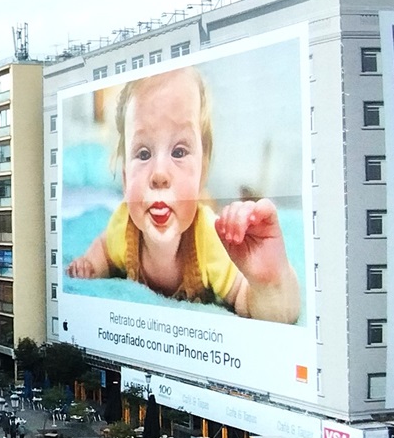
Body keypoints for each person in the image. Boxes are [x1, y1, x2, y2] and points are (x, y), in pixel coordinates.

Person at [65, 67, 301, 324]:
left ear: (202, 174)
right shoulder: (124, 225)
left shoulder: (208, 238)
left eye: (178, 152)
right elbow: (105, 249)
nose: (159, 174)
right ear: (124, 179)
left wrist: (268, 285)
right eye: (143, 154)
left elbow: (248, 300)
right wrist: (91, 263)